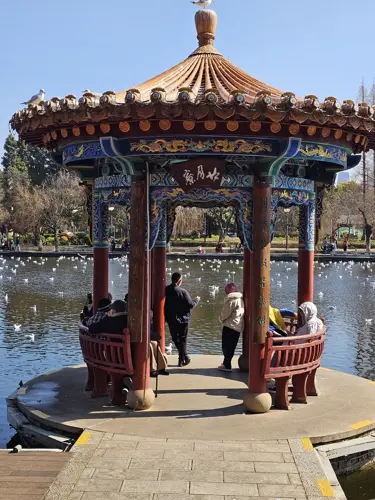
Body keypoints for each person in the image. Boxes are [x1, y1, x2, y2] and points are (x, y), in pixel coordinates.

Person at [165, 272, 200, 367]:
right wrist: (196, 299)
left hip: (171, 319)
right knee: (183, 340)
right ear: (179, 281)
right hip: (183, 320)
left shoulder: (166, 290)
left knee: (175, 338)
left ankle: (184, 357)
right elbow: (190, 304)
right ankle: (182, 360)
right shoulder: (182, 291)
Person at [217, 283, 244, 372]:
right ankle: (226, 363)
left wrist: (220, 319)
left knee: (226, 346)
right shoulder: (241, 299)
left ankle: (227, 364)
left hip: (229, 325)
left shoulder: (231, 300)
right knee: (232, 346)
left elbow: (225, 314)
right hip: (238, 326)